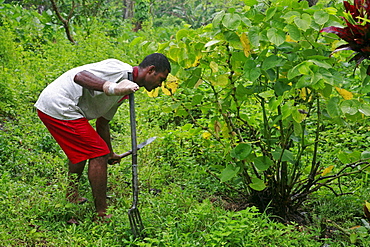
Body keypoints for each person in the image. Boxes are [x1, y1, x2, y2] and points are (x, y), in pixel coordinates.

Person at [34, 53, 171, 220]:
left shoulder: (127, 90)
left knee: (86, 150)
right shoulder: (120, 70)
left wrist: (110, 153)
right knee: (97, 153)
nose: (160, 84)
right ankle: (101, 213)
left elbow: (103, 123)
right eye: (161, 79)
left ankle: (72, 196)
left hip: (61, 107)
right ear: (151, 70)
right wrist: (110, 87)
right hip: (59, 104)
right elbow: (80, 76)